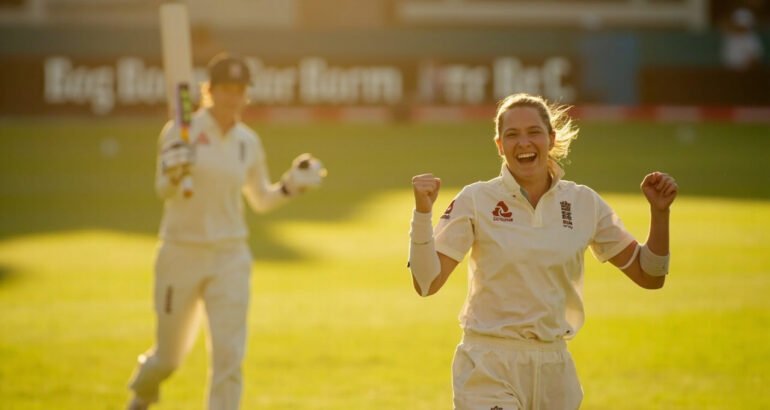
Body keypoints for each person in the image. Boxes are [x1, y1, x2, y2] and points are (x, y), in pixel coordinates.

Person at [408, 93, 677, 409]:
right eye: (512, 135)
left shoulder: (583, 203)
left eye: (533, 132)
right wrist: (422, 215)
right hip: (489, 364)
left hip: (554, 366)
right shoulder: (477, 199)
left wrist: (660, 214)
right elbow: (426, 282)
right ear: (499, 145)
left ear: (550, 139)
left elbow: (650, 275)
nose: (523, 143)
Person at [126, 53, 326, 410]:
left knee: (229, 357)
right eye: (226, 89)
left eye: (240, 89)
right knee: (169, 358)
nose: (234, 97)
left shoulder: (248, 141)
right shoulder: (180, 130)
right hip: (180, 252)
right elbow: (162, 189)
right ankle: (145, 387)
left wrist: (291, 185)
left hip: (230, 256)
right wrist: (174, 170)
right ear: (210, 90)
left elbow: (261, 199)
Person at [721, 7, 765, 71]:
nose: (740, 29)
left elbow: (757, 56)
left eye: (743, 27)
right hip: (730, 71)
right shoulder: (729, 37)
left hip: (748, 71)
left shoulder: (752, 38)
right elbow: (725, 57)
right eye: (738, 26)